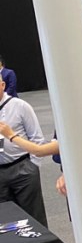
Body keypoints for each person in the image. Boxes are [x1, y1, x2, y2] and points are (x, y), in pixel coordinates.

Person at [0, 78, 46, 225]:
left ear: (2, 85)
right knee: (6, 221)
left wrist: (33, 166)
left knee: (34, 216)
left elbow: (37, 137)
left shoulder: (20, 106)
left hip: (22, 168)